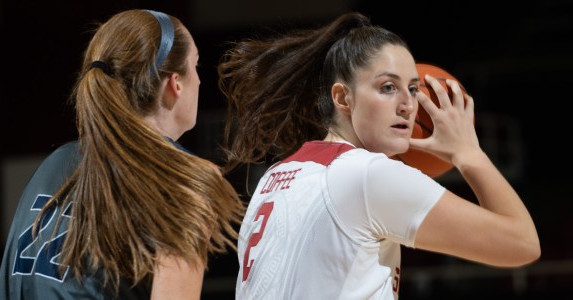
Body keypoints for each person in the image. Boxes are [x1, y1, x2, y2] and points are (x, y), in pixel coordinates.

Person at [217, 12, 540, 299]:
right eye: (388, 87)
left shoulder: (275, 176)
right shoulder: (368, 174)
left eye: (413, 89)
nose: (408, 105)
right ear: (343, 97)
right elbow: (522, 244)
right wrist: (469, 154)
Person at [0, 9, 245, 299]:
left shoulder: (54, 164)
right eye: (196, 66)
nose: (200, 82)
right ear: (174, 83)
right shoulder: (184, 176)